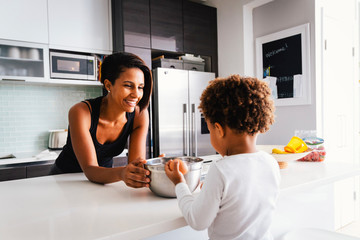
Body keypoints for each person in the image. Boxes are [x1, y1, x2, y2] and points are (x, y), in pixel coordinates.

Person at [165, 75, 281, 240]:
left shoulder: (220, 170)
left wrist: (179, 183)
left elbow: (197, 221)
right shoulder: (270, 162)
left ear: (219, 129)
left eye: (210, 130)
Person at [50, 52, 152, 187]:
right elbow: (90, 169)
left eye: (140, 87)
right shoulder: (81, 112)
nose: (136, 94)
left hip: (103, 181)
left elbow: (137, 165)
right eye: (128, 85)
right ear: (108, 85)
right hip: (65, 181)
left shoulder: (140, 115)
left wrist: (156, 169)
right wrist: (121, 173)